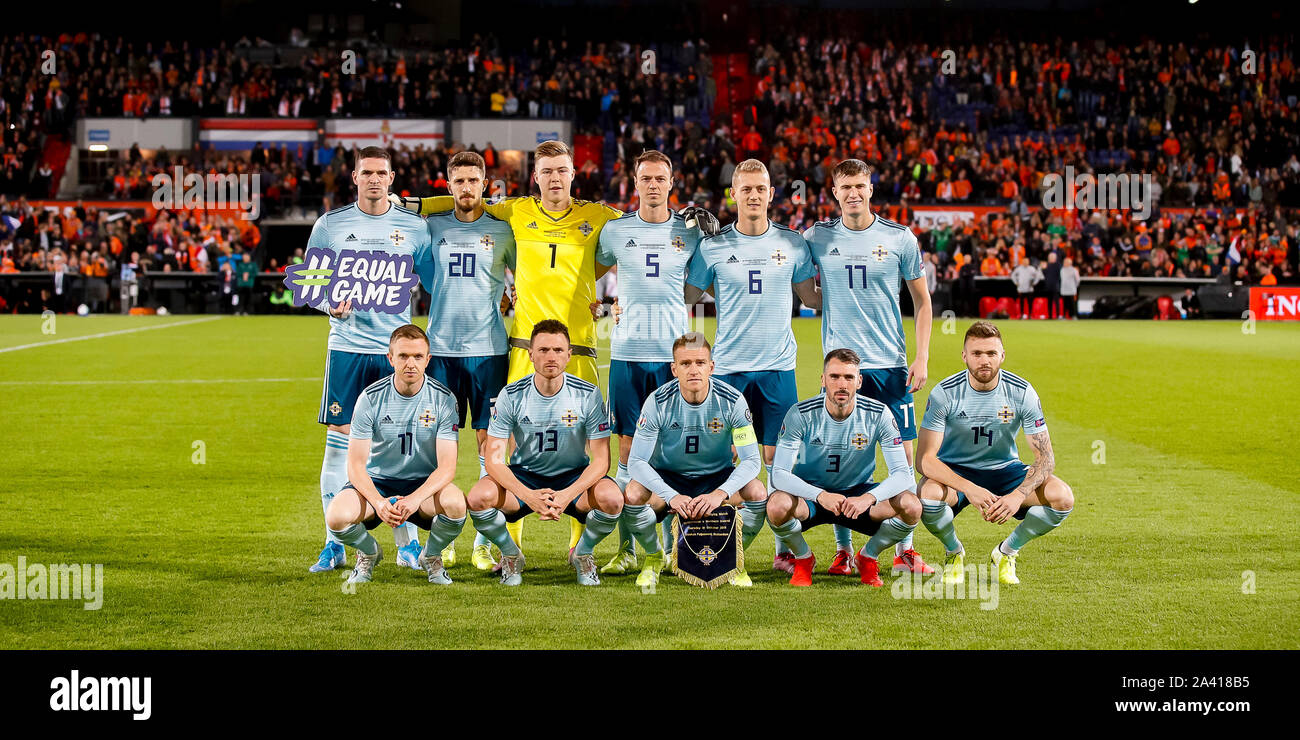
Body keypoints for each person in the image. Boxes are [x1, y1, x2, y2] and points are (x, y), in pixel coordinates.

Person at [799, 158, 933, 577]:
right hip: (840, 367)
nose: (853, 193)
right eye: (845, 187)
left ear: (870, 189)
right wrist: (828, 301)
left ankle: (904, 550)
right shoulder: (816, 237)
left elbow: (923, 301)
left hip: (889, 365)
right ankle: (844, 549)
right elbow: (806, 294)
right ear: (834, 192)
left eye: (860, 185)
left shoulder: (899, 238)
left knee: (902, 459)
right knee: (838, 457)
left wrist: (922, 355)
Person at [305, 146, 434, 574]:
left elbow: (436, 281)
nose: (375, 179)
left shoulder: (414, 228)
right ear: (355, 178)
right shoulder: (331, 225)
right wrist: (329, 302)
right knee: (339, 443)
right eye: (367, 173)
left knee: (403, 446)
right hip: (346, 348)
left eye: (382, 172)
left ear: (392, 177)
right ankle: (334, 542)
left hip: (396, 353)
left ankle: (407, 545)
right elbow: (311, 284)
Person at [684, 159, 821, 547]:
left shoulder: (792, 243)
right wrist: (688, 246)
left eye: (760, 188)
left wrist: (858, 287)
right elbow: (687, 297)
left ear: (772, 194)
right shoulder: (712, 247)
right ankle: (711, 545)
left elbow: (811, 298)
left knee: (781, 463)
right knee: (727, 460)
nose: (754, 195)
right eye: (745, 189)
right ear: (733, 194)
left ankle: (783, 547)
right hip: (729, 371)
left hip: (778, 369)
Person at [594, 150, 710, 574]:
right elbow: (584, 276)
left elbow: (704, 282)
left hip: (672, 358)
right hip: (627, 355)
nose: (654, 185)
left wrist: (717, 225)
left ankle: (671, 545)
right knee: (628, 450)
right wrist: (604, 308)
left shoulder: (691, 231)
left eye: (661, 179)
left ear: (672, 183)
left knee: (671, 451)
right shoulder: (615, 230)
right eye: (646, 178)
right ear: (635, 182)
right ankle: (629, 550)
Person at [413, 150, 517, 571]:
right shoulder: (431, 227)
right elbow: (420, 274)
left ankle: (482, 540)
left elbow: (520, 281)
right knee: (438, 447)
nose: (467, 188)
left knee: (488, 447)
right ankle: (446, 531)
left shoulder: (503, 231)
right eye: (459, 181)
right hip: (440, 352)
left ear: (486, 183)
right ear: (449, 184)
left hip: (489, 352)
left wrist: (507, 301)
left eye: (475, 180)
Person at [465, 320, 623, 586]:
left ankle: (583, 554)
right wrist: (528, 495)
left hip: (573, 479)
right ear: (530, 354)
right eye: (544, 350)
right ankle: (511, 554)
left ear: (570, 354)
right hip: (525, 478)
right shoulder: (510, 395)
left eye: (559, 350)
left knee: (612, 499)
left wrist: (566, 496)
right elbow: (493, 460)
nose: (551, 356)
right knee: (479, 498)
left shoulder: (589, 394)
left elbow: (601, 461)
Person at [916, 321, 1074, 585]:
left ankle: (1006, 552)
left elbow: (1046, 459)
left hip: (1005, 471)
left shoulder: (1022, 392)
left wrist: (1016, 496)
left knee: (1062, 498)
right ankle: (954, 552)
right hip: (957, 471)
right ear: (964, 356)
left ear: (1002, 356)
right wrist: (970, 488)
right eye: (977, 354)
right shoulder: (945, 393)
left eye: (991, 353)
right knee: (928, 496)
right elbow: (925, 459)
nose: (984, 361)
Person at [621, 332, 766, 588]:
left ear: (712, 367)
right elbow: (636, 462)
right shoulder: (657, 403)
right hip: (669, 478)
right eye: (686, 364)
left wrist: (719, 494)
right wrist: (670, 496)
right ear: (674, 369)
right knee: (632, 493)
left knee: (757, 491)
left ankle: (731, 559)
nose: (694, 370)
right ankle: (655, 557)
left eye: (700, 363)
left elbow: (753, 460)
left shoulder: (732, 401)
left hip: (715, 479)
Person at [767, 349, 922, 586]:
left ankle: (867, 556)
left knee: (911, 505)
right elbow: (778, 474)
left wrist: (868, 498)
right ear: (823, 380)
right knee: (777, 506)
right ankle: (804, 558)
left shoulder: (879, 414)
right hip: (812, 498)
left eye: (849, 378)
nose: (842, 384)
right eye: (835, 376)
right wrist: (819, 495)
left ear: (859, 381)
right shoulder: (800, 414)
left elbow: (903, 475)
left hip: (858, 496)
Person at [325, 325, 466, 586]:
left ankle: (431, 557)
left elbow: (447, 468)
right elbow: (355, 465)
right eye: (402, 356)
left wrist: (413, 499)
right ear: (390, 359)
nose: (410, 363)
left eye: (417, 356)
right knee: (336, 515)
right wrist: (379, 503)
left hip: (422, 487)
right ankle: (369, 552)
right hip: (378, 483)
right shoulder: (370, 397)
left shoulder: (444, 400)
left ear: (428, 360)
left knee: (457, 504)